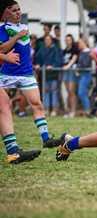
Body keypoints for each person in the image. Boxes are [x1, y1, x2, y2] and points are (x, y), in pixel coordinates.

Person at [0, 0, 63, 164]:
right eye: (14, 10)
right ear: (6, 12)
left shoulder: (24, 27)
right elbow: (2, 49)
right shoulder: (3, 29)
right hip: (6, 74)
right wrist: (17, 38)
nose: (18, 13)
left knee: (37, 104)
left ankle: (46, 138)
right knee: (4, 107)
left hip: (26, 74)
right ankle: (13, 152)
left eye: (19, 10)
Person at [35, 35, 63, 116]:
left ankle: (54, 110)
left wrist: (53, 66)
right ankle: (46, 109)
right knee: (45, 92)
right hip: (45, 76)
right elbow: (37, 59)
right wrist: (37, 64)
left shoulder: (56, 49)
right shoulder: (42, 49)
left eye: (48, 40)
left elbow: (59, 60)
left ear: (51, 41)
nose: (47, 41)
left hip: (54, 75)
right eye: (46, 40)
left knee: (54, 92)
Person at [62, 34, 79, 118]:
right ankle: (68, 111)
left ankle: (73, 111)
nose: (67, 41)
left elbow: (74, 59)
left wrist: (68, 66)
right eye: (66, 39)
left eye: (69, 39)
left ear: (72, 40)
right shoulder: (64, 50)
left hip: (71, 71)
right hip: (65, 72)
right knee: (68, 92)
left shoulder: (74, 49)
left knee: (72, 92)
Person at [76, 38, 92, 116]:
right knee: (83, 93)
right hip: (82, 75)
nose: (78, 44)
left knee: (82, 93)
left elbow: (85, 64)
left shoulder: (88, 52)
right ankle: (86, 110)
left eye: (79, 43)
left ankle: (87, 110)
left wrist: (77, 66)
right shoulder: (81, 52)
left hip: (86, 75)